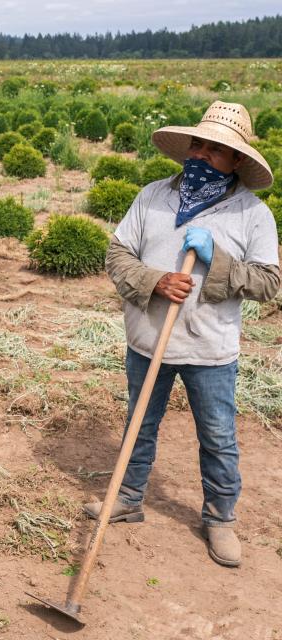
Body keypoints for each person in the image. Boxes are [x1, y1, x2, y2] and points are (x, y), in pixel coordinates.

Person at [86, 101, 280, 567]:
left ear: (237, 160)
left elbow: (270, 284)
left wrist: (220, 260)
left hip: (209, 346)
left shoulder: (252, 215)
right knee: (139, 423)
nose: (201, 154)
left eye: (216, 150)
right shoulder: (153, 196)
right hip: (148, 338)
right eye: (198, 144)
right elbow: (117, 255)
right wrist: (156, 281)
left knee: (217, 436)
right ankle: (128, 498)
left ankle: (220, 519)